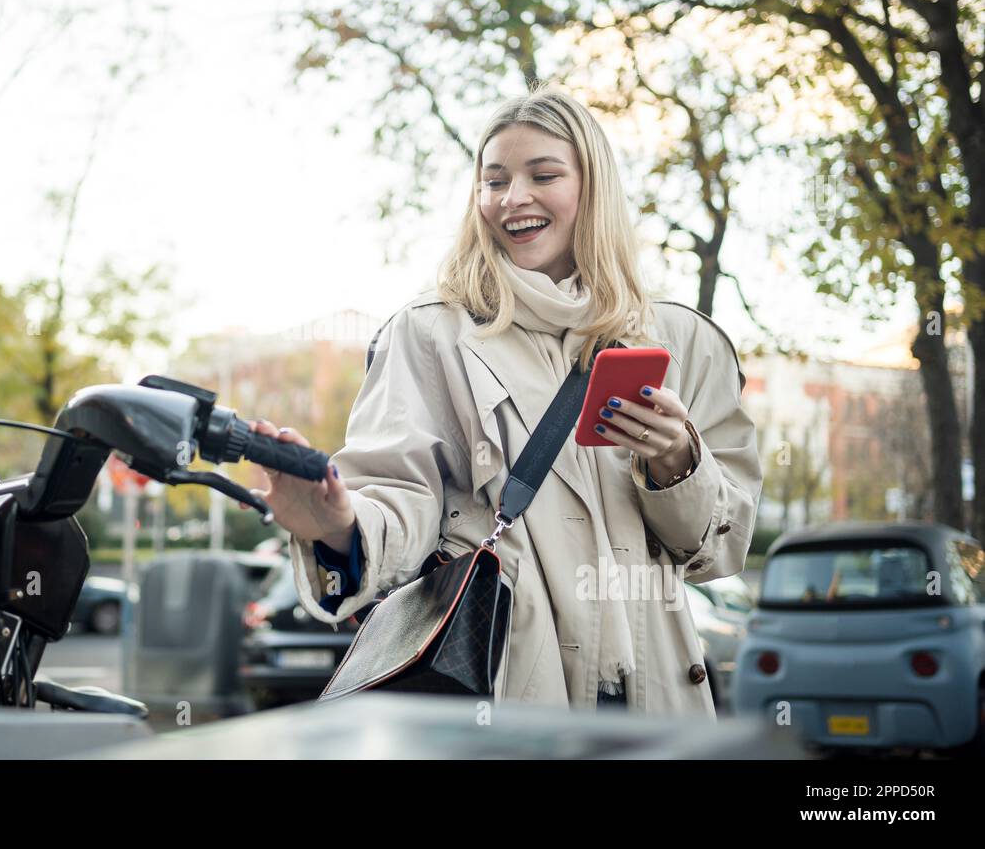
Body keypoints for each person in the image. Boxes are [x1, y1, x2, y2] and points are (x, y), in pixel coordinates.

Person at [243, 83, 762, 716]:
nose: (513, 199)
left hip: (657, 710)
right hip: (506, 700)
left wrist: (678, 461)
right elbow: (397, 497)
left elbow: (719, 550)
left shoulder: (686, 341)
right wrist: (335, 526)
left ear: (593, 188)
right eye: (494, 181)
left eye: (543, 175)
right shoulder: (429, 333)